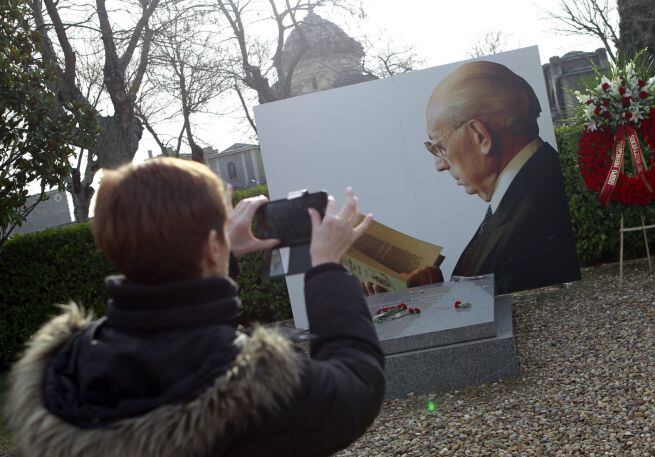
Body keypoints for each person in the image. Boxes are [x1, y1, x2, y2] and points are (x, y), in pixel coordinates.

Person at [3, 158, 384, 457]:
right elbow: (358, 381)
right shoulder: (262, 386)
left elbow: (184, 335)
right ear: (209, 247)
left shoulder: (61, 370)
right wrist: (327, 269)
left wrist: (221, 255)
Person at [424, 60, 580, 294]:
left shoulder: (533, 224)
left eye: (440, 147)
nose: (440, 165)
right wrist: (434, 292)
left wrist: (433, 303)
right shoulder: (529, 187)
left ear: (481, 136)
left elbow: (502, 316)